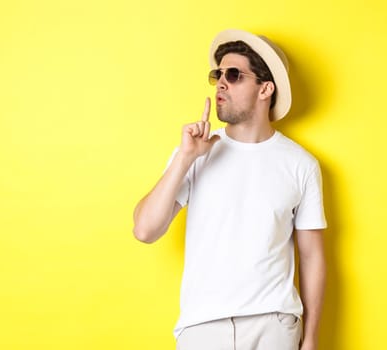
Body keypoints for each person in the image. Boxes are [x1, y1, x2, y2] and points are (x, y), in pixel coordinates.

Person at [133, 29, 327, 350]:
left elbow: (312, 256)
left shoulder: (301, 164)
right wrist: (184, 158)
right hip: (203, 327)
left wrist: (312, 338)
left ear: (265, 89)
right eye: (218, 74)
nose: (221, 82)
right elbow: (145, 230)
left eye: (234, 75)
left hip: (274, 324)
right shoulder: (194, 153)